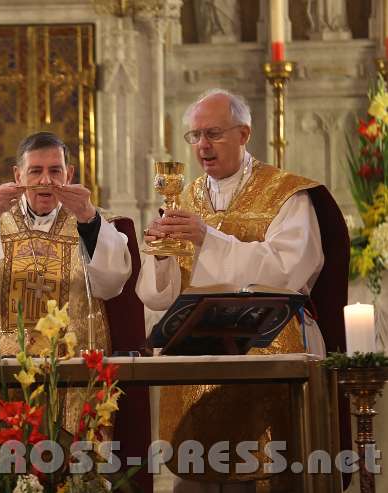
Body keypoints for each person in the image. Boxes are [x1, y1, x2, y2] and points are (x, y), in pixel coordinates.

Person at [136, 89, 349, 492]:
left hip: (271, 351)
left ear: (244, 133)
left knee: (272, 472)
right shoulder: (184, 197)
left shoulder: (287, 193)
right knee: (200, 474)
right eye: (195, 136)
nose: (202, 145)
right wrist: (161, 254)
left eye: (213, 133)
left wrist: (207, 238)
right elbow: (159, 296)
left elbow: (289, 272)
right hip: (199, 359)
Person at [0, 131, 152, 490]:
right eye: (35, 170)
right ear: (17, 175)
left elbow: (113, 281)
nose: (45, 180)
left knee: (75, 475)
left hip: (73, 377)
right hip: (4, 378)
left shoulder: (92, 222)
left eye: (55, 170)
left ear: (69, 175)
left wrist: (87, 216)